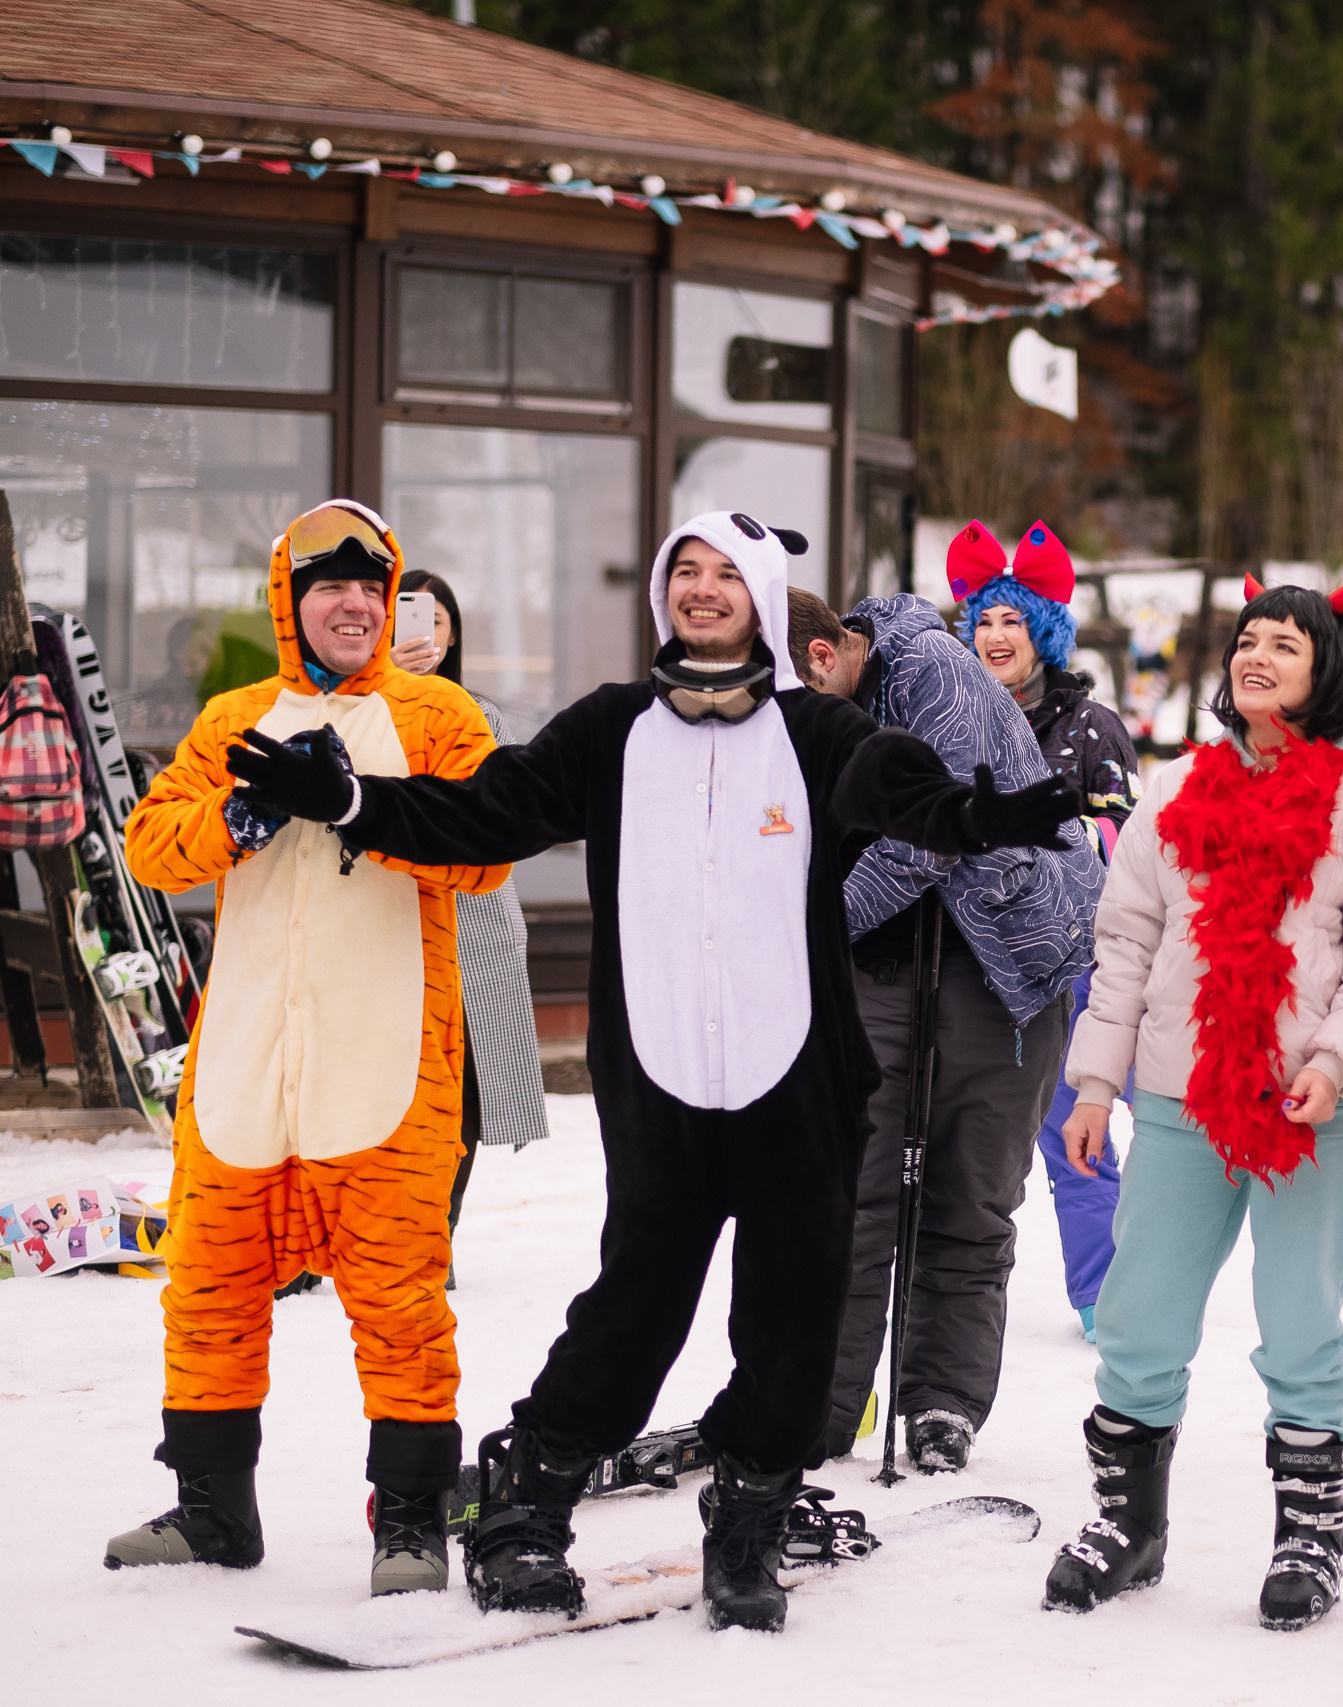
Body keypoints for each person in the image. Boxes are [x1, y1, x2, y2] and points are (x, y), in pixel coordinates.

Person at [219, 510, 1079, 1633]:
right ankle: (527, 1509)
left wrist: (978, 815)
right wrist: (347, 802)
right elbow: (486, 808)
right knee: (633, 1314)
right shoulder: (612, 731)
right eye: (687, 571)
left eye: (728, 574)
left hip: (799, 1082)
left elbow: (903, 789)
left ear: (763, 599)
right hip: (661, 1080)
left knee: (795, 1320)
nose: (704, 590)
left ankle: (749, 1520)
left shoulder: (818, 733)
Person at [109, 501, 503, 1597]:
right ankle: (212, 1509)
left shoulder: (436, 714)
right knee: (206, 1286)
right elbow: (151, 846)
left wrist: (351, 803)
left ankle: (413, 1518)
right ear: (289, 601)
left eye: (372, 588)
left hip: (381, 1064)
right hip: (243, 1061)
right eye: (330, 587)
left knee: (399, 1299)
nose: (353, 604)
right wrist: (239, 817)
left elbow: (484, 851)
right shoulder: (237, 713)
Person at [1039, 579, 1343, 1634]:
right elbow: (1126, 943)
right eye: (1246, 642)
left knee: (1299, 1326)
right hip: (1180, 1096)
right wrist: (1095, 1082)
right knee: (1140, 1316)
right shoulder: (1177, 788)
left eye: (1283, 646)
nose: (1256, 658)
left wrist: (1333, 1063)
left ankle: (1307, 1535)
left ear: (1325, 667)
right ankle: (1129, 1526)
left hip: (1311, 1109)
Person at [830, 577, 1106, 1473]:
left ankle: (941, 1402)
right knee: (853, 1190)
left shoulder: (931, 669)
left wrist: (816, 924)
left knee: (971, 1193)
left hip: (1003, 968)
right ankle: (828, 1401)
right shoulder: (822, 702)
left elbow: (931, 837)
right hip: (886, 969)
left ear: (830, 652)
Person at [950, 520, 1140, 1340]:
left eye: (1013, 621)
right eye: (984, 620)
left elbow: (1129, 848)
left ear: (1045, 632)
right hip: (972, 965)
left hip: (1071, 960)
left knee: (1079, 1133)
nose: (995, 636)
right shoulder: (950, 719)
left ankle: (1110, 1295)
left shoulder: (1091, 726)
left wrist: (1052, 842)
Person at [391, 570, 550, 1249]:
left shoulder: (480, 715)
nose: (423, 637)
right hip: (398, 920)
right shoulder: (366, 708)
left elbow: (492, 812)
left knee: (472, 1088)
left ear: (454, 635)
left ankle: (437, 1234)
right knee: (403, 1081)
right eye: (410, 621)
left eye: (438, 623)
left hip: (478, 919)